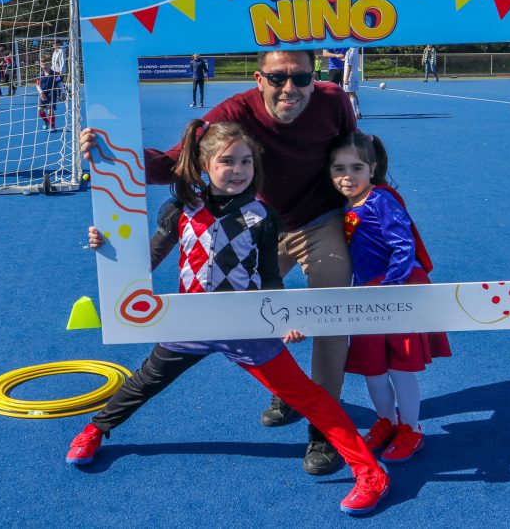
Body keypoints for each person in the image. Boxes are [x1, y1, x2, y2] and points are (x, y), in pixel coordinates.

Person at [70, 120, 390, 516]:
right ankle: (94, 430)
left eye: (246, 162)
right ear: (205, 163)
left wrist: (282, 318)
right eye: (227, 161)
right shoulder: (181, 209)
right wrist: (109, 249)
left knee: (307, 397)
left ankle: (371, 473)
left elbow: (271, 274)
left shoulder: (263, 216)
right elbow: (146, 259)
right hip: (191, 323)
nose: (238, 170)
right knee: (145, 381)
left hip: (247, 326)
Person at [80, 49, 357, 476]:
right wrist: (113, 157)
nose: (290, 88)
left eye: (301, 78)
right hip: (256, 222)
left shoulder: (334, 100)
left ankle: (322, 433)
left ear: (313, 75)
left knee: (331, 313)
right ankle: (289, 390)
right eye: (278, 78)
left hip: (317, 219)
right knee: (254, 317)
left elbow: (351, 157)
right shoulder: (233, 111)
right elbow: (178, 163)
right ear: (258, 78)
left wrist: (374, 210)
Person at [329, 131, 451, 463]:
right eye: (339, 169)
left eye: (356, 168)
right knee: (373, 369)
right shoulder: (344, 204)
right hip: (366, 293)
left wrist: (390, 287)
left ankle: (411, 428)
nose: (347, 176)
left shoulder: (381, 199)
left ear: (372, 168)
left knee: (400, 369)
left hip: (394, 291)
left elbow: (403, 245)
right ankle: (386, 420)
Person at [35, 54, 60, 130]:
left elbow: (60, 84)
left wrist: (62, 93)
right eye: (42, 64)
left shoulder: (55, 74)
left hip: (52, 94)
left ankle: (52, 126)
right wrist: (41, 92)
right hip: (43, 94)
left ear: (50, 64)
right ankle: (46, 121)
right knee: (40, 110)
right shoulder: (40, 75)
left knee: (50, 111)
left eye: (46, 64)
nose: (44, 66)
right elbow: (37, 85)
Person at [343, 46, 363, 119]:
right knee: (353, 93)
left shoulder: (350, 51)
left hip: (350, 76)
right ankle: (358, 112)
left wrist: (346, 78)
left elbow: (349, 65)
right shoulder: (356, 50)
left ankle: (354, 114)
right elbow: (350, 62)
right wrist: (344, 59)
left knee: (351, 94)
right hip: (355, 75)